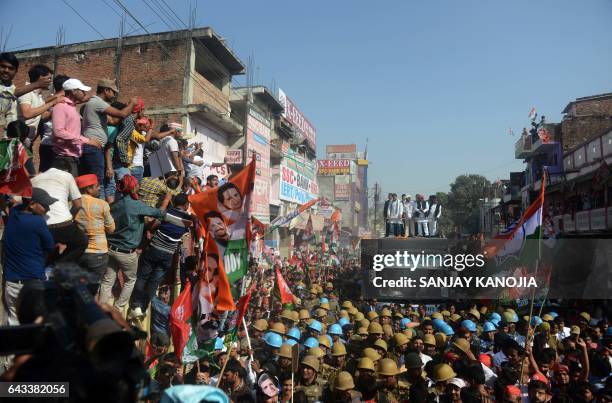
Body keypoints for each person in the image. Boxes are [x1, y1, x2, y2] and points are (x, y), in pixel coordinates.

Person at [99, 175, 164, 310]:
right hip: (126, 253)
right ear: (133, 187)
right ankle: (117, 309)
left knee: (107, 281)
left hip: (111, 248)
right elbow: (157, 213)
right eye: (137, 185)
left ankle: (101, 309)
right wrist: (166, 203)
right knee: (130, 280)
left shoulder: (116, 204)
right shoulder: (136, 205)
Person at [128, 193, 192, 320]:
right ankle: (143, 309)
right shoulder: (187, 221)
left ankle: (135, 306)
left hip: (154, 249)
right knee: (154, 282)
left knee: (142, 277)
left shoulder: (166, 213)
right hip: (168, 255)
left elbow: (153, 225)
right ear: (186, 205)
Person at [1, 188, 55, 325]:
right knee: (36, 324)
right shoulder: (37, 222)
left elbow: (15, 205)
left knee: (14, 321)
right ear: (31, 204)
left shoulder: (14, 213)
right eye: (44, 205)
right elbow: (50, 247)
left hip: (12, 283)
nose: (48, 209)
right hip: (32, 284)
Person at [80, 79, 136, 199]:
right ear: (106, 90)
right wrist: (131, 104)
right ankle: (95, 210)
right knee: (96, 182)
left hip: (94, 148)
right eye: (113, 92)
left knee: (93, 181)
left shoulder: (96, 104)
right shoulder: (98, 102)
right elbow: (121, 115)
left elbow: (113, 120)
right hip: (93, 147)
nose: (115, 96)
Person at [30, 158, 88, 264]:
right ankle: (59, 264)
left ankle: (47, 267)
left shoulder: (35, 179)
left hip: (41, 225)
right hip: (64, 224)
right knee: (81, 242)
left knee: (43, 252)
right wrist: (71, 217)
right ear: (66, 170)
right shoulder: (67, 176)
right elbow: (78, 204)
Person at [52, 78, 102, 176]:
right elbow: (58, 131)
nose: (84, 93)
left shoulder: (72, 107)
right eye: (82, 90)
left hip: (73, 157)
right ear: (73, 91)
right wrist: (87, 141)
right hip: (64, 158)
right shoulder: (61, 106)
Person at [74, 173, 115, 292]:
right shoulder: (102, 204)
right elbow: (111, 229)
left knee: (78, 288)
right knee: (91, 290)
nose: (99, 188)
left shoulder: (72, 204)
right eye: (96, 186)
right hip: (98, 253)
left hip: (80, 251)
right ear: (88, 188)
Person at [1, 52, 52, 138]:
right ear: (40, 78)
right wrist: (37, 84)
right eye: (3, 67)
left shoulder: (14, 88)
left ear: (15, 71)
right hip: (11, 139)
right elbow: (27, 113)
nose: (6, 70)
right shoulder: (23, 92)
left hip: (20, 139)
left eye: (10, 68)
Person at [16, 64, 59, 150]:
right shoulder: (26, 92)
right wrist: (51, 103)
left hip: (27, 142)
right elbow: (27, 114)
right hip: (17, 142)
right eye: (49, 78)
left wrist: (55, 110)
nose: (51, 82)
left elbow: (42, 117)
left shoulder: (38, 96)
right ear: (40, 78)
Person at [38, 75, 70, 173]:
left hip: (53, 144)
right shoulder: (52, 100)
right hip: (52, 145)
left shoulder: (52, 99)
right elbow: (42, 117)